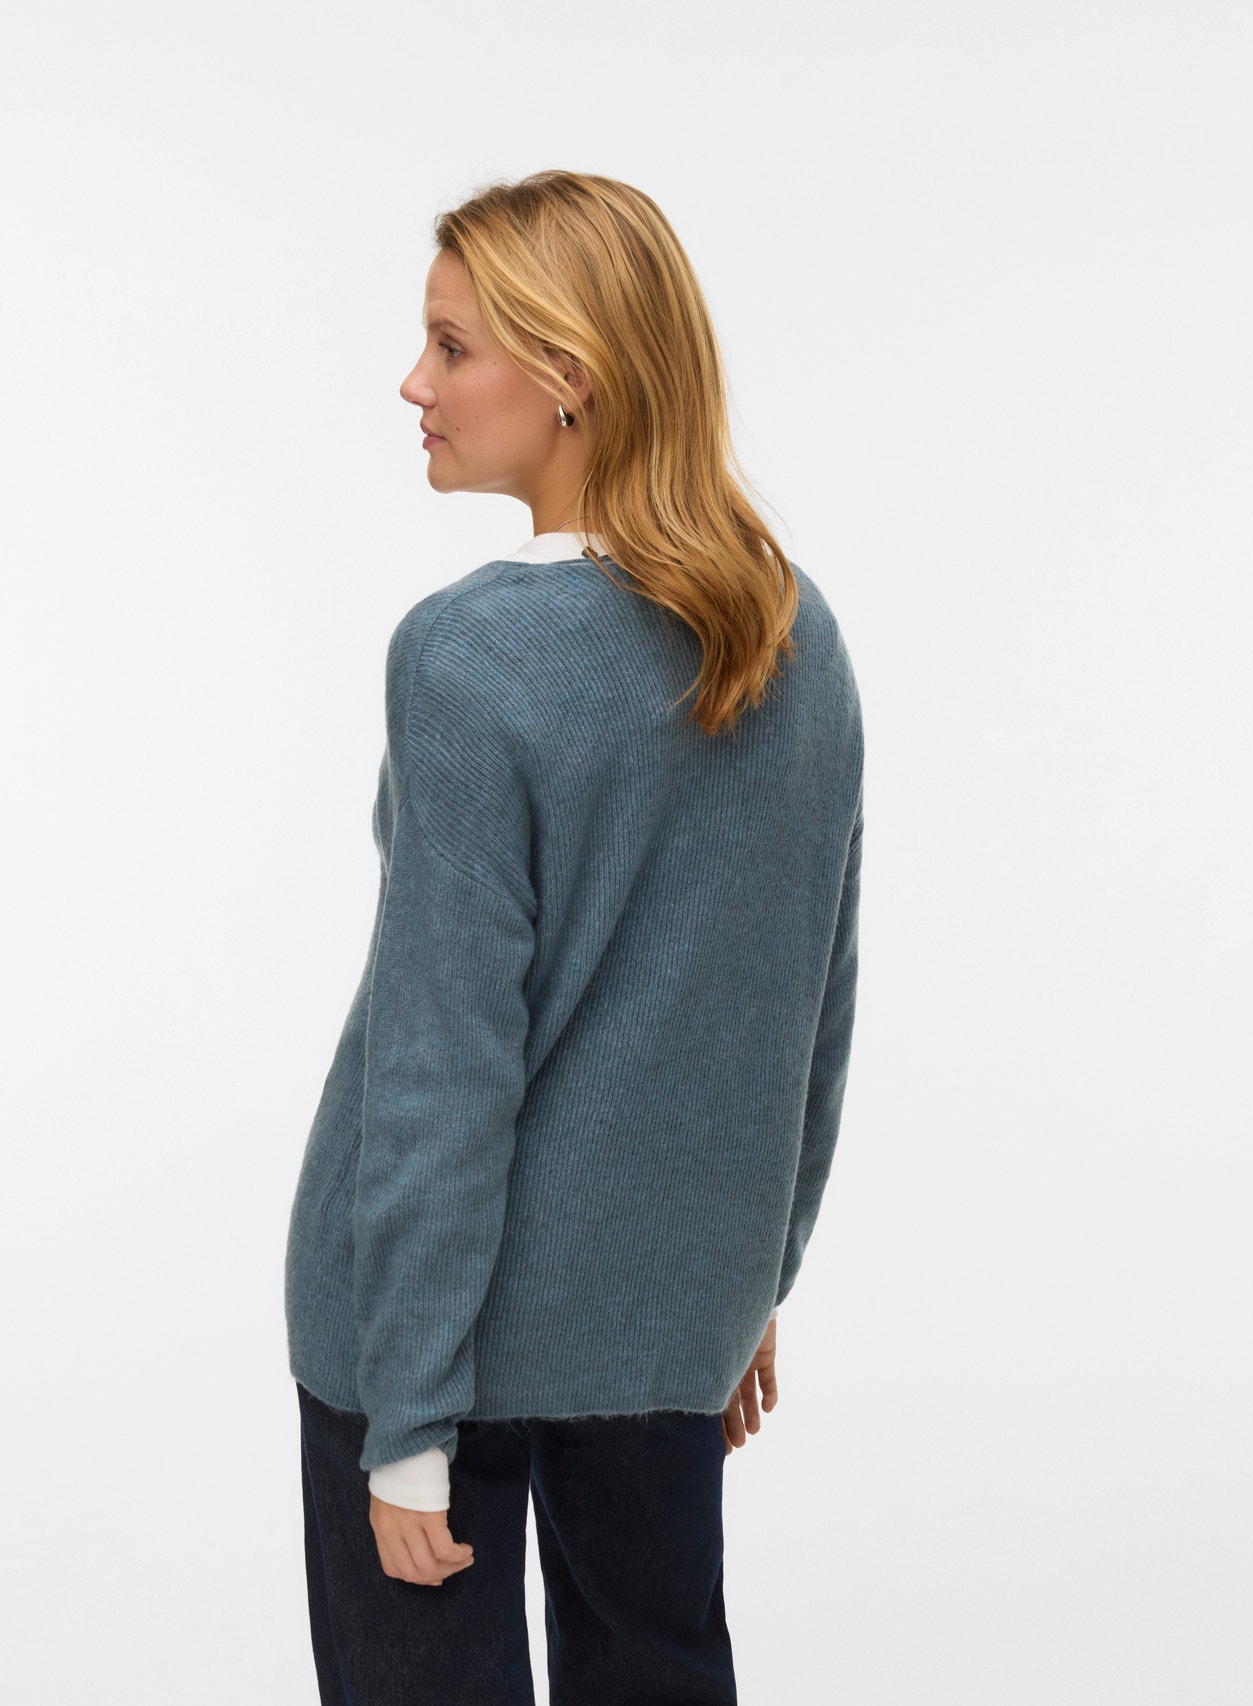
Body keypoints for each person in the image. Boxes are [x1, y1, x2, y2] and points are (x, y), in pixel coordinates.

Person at [283, 169, 865, 1706]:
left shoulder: (470, 655)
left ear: (571, 377)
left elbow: (442, 1061)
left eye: (450, 346)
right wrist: (747, 1286)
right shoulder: (794, 634)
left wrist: (408, 1415)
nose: (414, 384)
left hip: (434, 1342)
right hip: (660, 1323)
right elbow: (807, 1008)